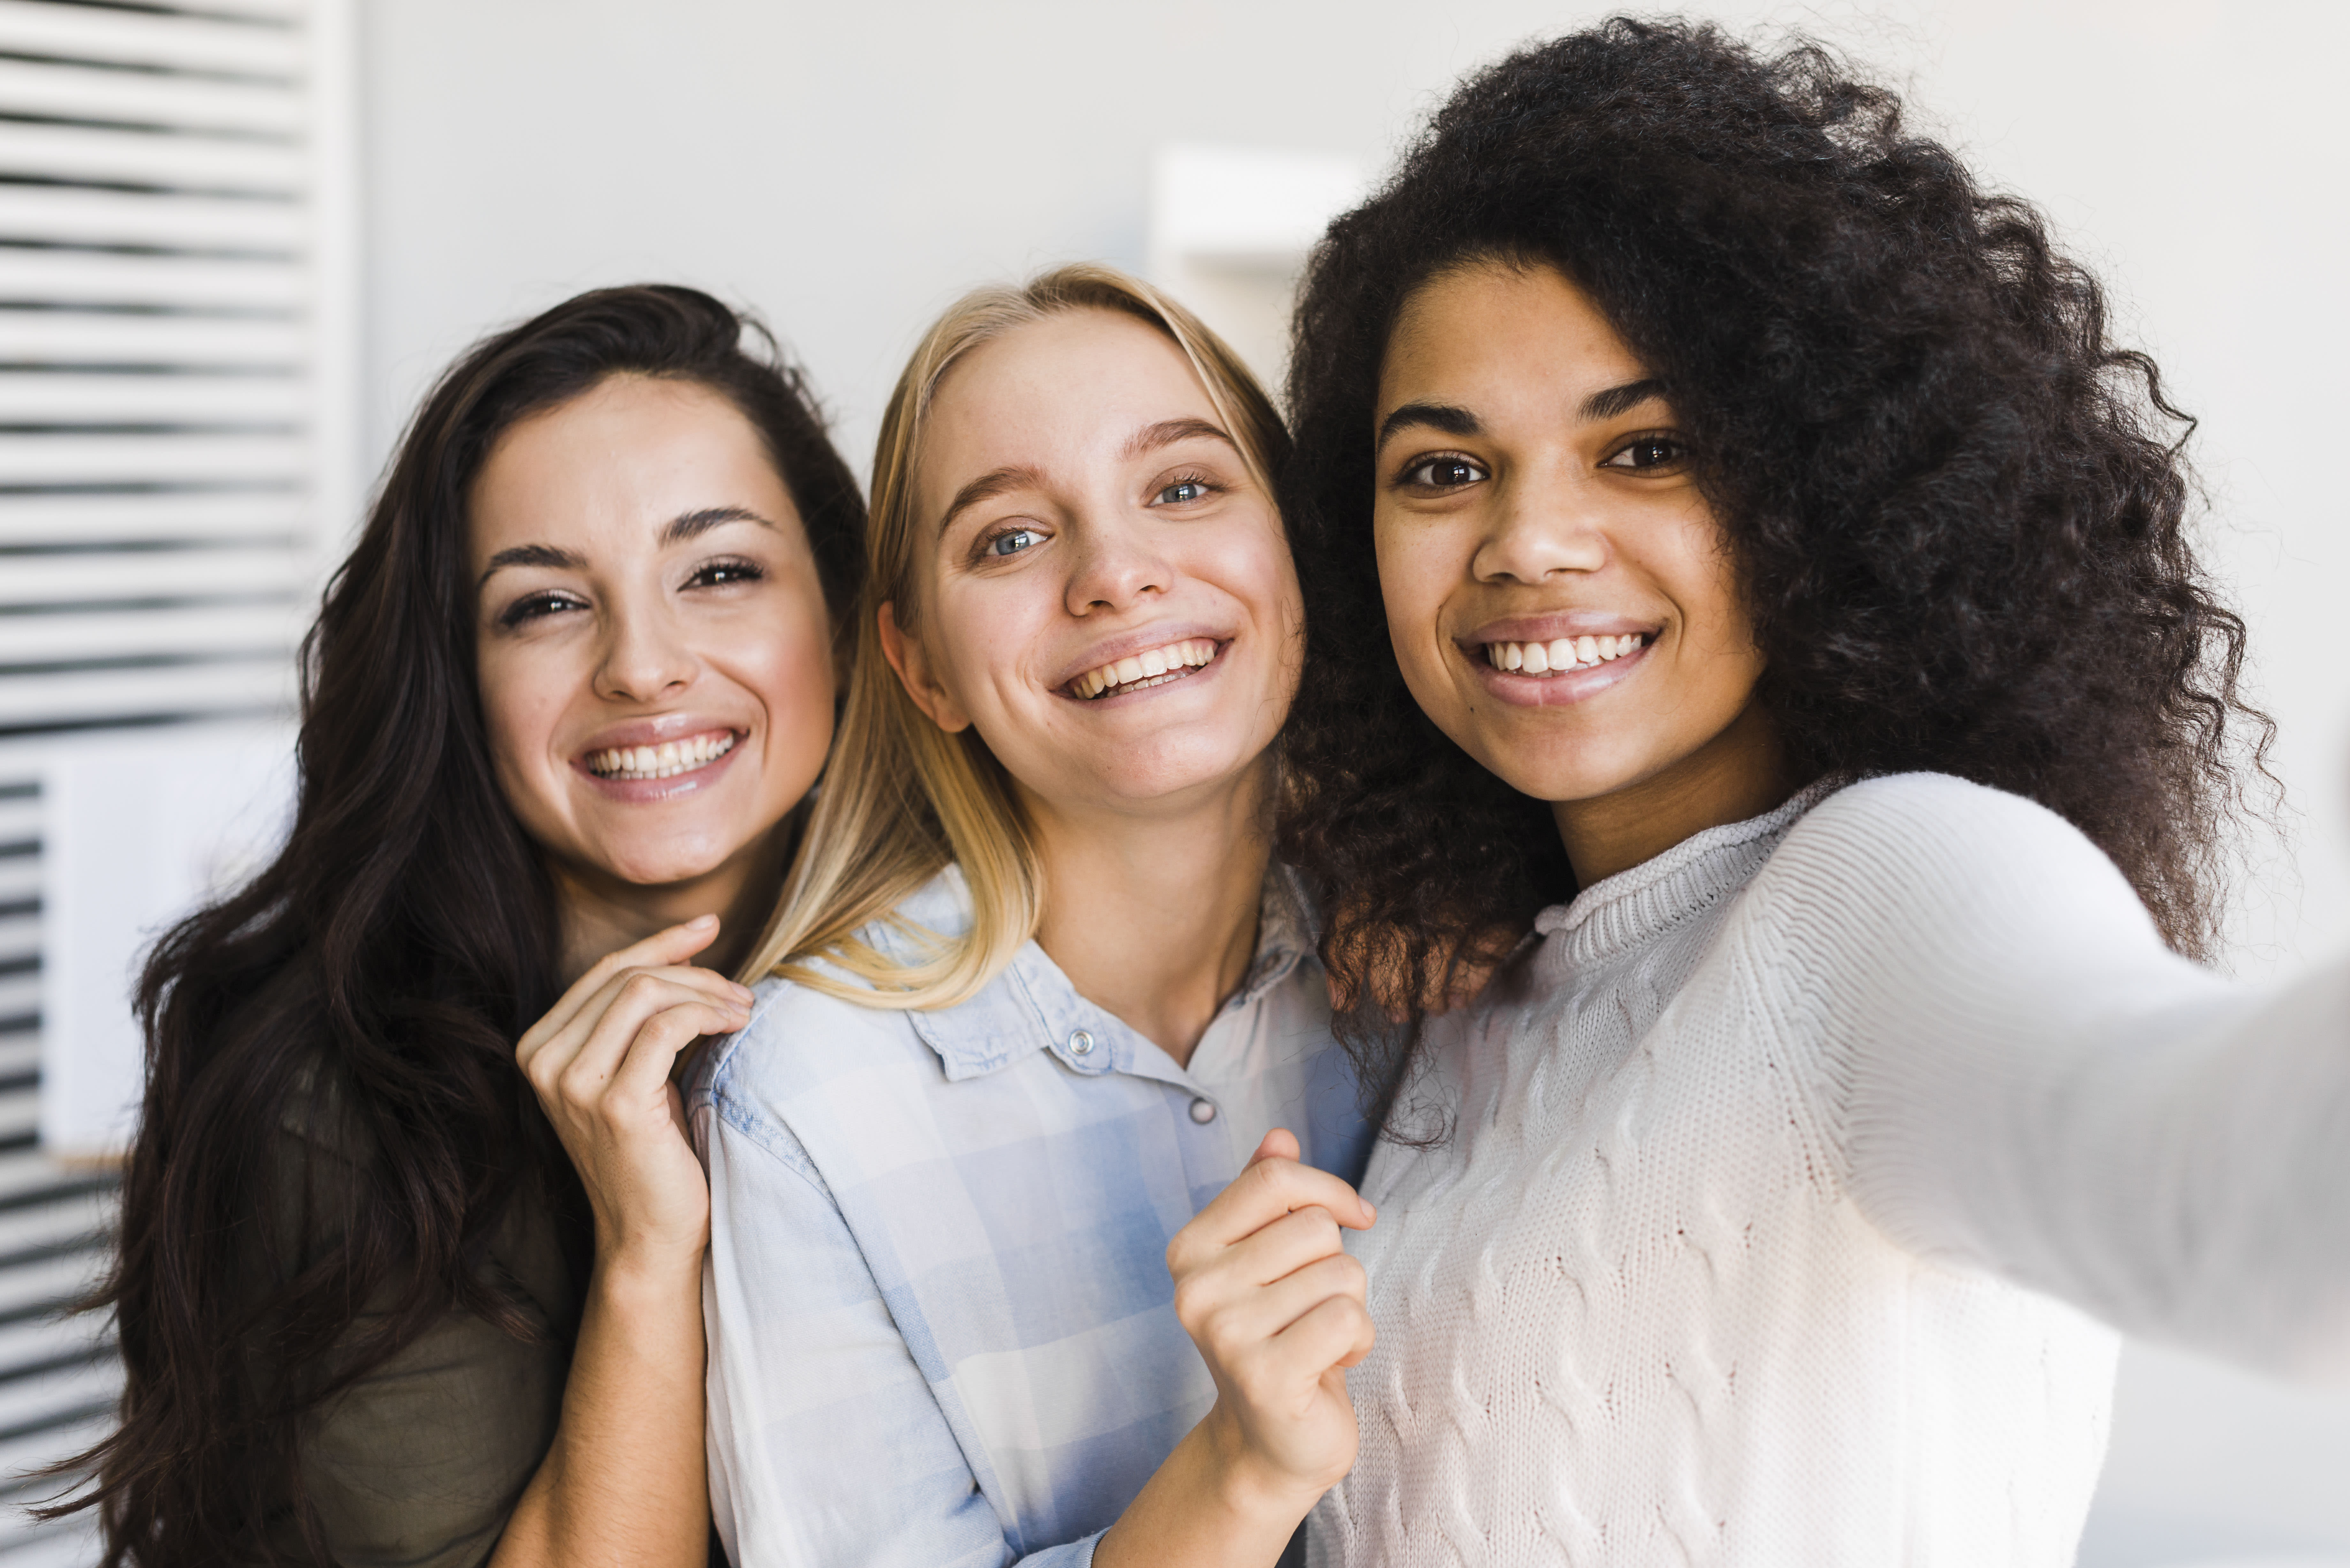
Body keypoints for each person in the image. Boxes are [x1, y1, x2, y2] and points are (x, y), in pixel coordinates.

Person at [1270, 21, 2350, 1567]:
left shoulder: (1892, 884)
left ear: (1823, 490)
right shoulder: (1471, 993)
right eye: (1443, 471)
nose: (1529, 543)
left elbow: (2246, 1208)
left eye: (1643, 449)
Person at [67, 285, 864, 1566]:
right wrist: (646, 1255)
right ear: (457, 674)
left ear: (843, 619)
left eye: (719, 571)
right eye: (543, 604)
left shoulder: (928, 989)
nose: (642, 667)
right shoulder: (330, 1096)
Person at [693, 264, 1376, 1568]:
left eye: (1183, 487)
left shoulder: (1441, 956)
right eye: (1010, 538)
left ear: (1295, 549)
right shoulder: (807, 1097)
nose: (1115, 574)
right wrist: (1236, 1476)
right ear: (922, 666)